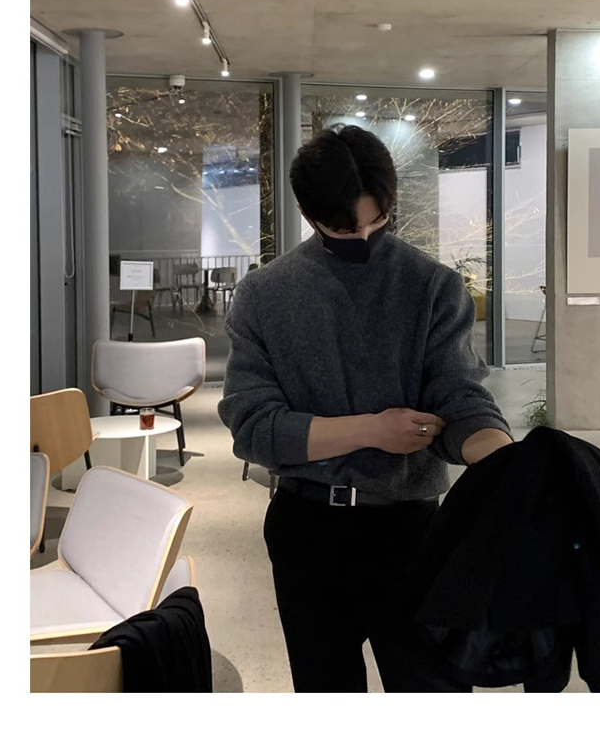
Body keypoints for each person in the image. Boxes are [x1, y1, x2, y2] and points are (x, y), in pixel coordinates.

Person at [218, 124, 513, 693]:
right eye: (345, 228)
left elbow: (459, 397)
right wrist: (372, 430)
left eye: (379, 221)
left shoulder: (432, 286)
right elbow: (253, 427)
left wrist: (504, 461)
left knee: (432, 691)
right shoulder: (265, 294)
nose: (365, 237)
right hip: (306, 529)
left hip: (409, 530)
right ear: (309, 214)